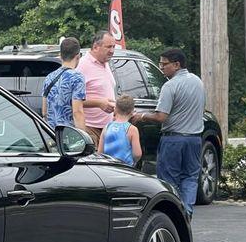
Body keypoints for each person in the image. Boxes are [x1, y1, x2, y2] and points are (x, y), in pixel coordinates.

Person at [132, 48, 206, 216]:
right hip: (194, 139)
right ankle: (187, 211)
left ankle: (173, 216)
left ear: (177, 64)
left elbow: (161, 117)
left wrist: (141, 116)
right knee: (190, 177)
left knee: (168, 181)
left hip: (173, 139)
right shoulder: (198, 81)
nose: (161, 68)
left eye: (164, 64)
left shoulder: (170, 86)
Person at [76, 30, 117, 147]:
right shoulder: (82, 66)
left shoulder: (105, 64)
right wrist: (99, 103)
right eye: (108, 47)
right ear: (95, 47)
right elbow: (72, 100)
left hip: (107, 128)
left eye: (113, 47)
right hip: (90, 129)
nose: (112, 51)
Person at [41, 37, 86, 130]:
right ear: (78, 56)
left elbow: (44, 112)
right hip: (68, 135)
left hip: (52, 133)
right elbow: (77, 112)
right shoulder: (77, 78)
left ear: (60, 55)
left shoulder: (49, 77)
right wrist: (84, 139)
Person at [98, 94, 141, 166]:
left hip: (108, 167)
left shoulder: (107, 127)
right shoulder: (132, 129)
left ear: (115, 109)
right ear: (132, 112)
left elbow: (100, 152)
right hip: (125, 167)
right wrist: (134, 161)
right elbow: (137, 154)